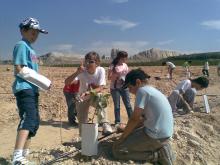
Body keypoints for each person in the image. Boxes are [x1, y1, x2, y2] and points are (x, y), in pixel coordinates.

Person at [112, 69, 174, 165]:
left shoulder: (142, 91)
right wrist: (125, 130)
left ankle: (157, 155)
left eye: (130, 87)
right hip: (163, 134)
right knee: (129, 135)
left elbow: (134, 119)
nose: (130, 91)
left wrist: (122, 138)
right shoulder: (151, 90)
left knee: (117, 150)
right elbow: (142, 119)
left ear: (138, 82)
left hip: (156, 136)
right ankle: (159, 147)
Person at [12, 17, 50, 165]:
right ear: (23, 30)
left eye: (37, 33)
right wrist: (42, 81)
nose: (35, 36)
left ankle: (23, 155)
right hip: (24, 88)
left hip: (32, 89)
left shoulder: (30, 48)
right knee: (28, 118)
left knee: (34, 121)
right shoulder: (21, 45)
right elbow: (19, 68)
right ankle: (17, 157)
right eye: (33, 32)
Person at [65, 51, 113, 136]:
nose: (88, 63)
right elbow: (67, 82)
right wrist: (77, 72)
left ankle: (105, 123)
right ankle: (83, 140)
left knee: (101, 97)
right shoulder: (82, 72)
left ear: (97, 63)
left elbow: (101, 87)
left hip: (92, 95)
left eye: (91, 61)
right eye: (86, 61)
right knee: (82, 121)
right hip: (82, 98)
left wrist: (89, 92)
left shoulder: (100, 70)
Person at [108, 51, 133, 127]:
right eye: (124, 58)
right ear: (119, 58)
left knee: (128, 105)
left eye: (126, 58)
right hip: (115, 88)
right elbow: (109, 77)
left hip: (124, 87)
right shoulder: (112, 66)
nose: (125, 59)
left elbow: (127, 75)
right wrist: (116, 76)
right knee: (117, 106)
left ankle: (131, 120)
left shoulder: (125, 65)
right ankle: (117, 122)